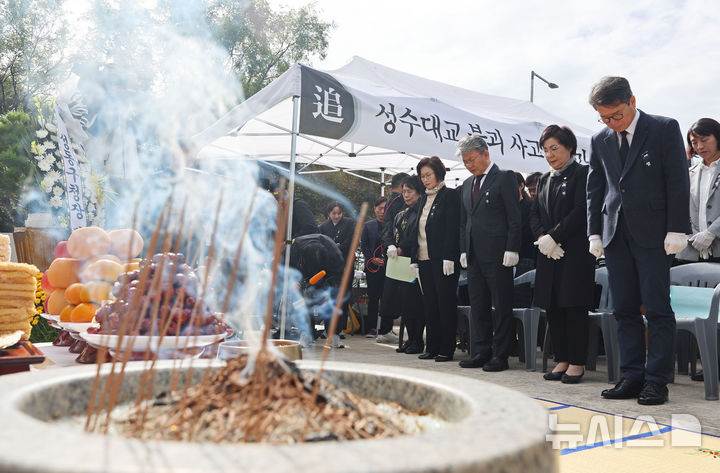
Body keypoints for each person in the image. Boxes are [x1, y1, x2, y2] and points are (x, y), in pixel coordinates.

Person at [586, 76, 690, 405]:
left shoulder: (663, 128)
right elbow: (595, 188)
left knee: (657, 309)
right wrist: (594, 232)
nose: (611, 123)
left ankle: (657, 380)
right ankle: (631, 375)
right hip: (616, 234)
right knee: (624, 310)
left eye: (616, 115)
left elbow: (677, 179)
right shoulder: (600, 138)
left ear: (632, 101)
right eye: (604, 117)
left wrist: (677, 228)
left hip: (654, 234)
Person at [529, 125, 596, 384]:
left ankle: (577, 362)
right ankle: (562, 359)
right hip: (547, 252)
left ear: (570, 147)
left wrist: (554, 236)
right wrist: (541, 239)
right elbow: (534, 213)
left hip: (575, 252)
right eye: (545, 150)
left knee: (573, 307)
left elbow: (581, 211)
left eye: (554, 148)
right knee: (553, 307)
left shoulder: (583, 173)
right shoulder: (545, 179)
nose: (550, 155)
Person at [457, 134, 521, 372]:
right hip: (474, 256)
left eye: (472, 159)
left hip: (498, 254)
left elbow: (515, 217)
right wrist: (463, 249)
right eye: (465, 161)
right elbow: (464, 222)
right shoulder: (466, 185)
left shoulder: (504, 178)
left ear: (485, 154)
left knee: (501, 306)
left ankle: (500, 355)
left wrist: (512, 248)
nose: (469, 165)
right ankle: (481, 351)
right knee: (478, 306)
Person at [415, 157, 460, 362]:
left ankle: (446, 348)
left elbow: (453, 228)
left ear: (439, 174)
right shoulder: (423, 199)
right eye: (422, 176)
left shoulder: (450, 195)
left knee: (445, 304)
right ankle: (431, 346)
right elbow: (417, 229)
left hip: (443, 259)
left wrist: (449, 256)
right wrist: (414, 258)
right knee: (429, 303)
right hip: (424, 258)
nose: (425, 180)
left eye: (428, 175)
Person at [379, 176, 425, 349]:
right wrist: (390, 244)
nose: (406, 195)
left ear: (419, 192)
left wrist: (402, 248)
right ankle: (410, 338)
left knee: (415, 302)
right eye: (404, 191)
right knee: (404, 302)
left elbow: (416, 235)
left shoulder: (421, 210)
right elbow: (388, 229)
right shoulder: (402, 211)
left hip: (414, 260)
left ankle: (417, 339)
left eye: (410, 191)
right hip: (399, 262)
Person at [287, 233, 345, 347]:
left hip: (326, 276)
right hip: (302, 276)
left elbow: (339, 277)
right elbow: (287, 267)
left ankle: (333, 335)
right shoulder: (295, 248)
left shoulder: (334, 253)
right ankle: (306, 333)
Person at [677, 118, 720, 263]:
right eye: (694, 142)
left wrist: (711, 233)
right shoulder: (688, 173)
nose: (700, 146)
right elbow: (681, 207)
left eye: (704, 139)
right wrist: (695, 235)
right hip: (692, 251)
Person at [318, 201, 355, 340]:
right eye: (333, 213)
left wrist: (334, 247)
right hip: (329, 266)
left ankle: (340, 328)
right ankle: (327, 326)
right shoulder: (322, 227)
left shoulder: (349, 224)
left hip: (345, 263)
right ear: (328, 214)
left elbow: (350, 242)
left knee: (343, 296)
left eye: (339, 213)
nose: (336, 216)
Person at [360, 196, 387, 335]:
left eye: (384, 208)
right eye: (380, 208)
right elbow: (363, 245)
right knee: (373, 297)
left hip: (388, 267)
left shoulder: (392, 224)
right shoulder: (368, 225)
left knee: (387, 298)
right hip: (373, 268)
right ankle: (371, 327)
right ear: (375, 209)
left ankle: (385, 329)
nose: (382, 211)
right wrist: (372, 259)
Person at [515, 172, 536, 276]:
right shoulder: (503, 208)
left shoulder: (530, 206)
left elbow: (528, 231)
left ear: (521, 185)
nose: (532, 193)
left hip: (525, 256)